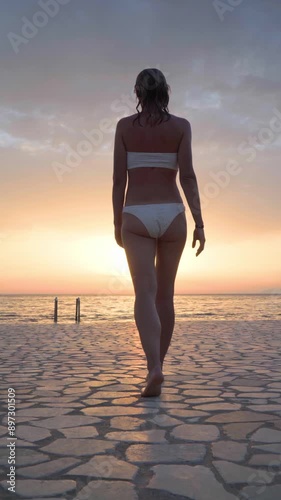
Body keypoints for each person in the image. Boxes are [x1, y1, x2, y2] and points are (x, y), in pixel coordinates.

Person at [112, 68, 205, 397]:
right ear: (166, 91)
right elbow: (188, 177)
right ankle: (159, 368)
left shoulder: (124, 127)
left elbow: (118, 181)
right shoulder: (181, 127)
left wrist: (116, 223)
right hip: (173, 213)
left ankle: (152, 367)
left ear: (138, 92)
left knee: (145, 295)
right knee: (166, 295)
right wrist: (200, 222)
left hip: (136, 214)